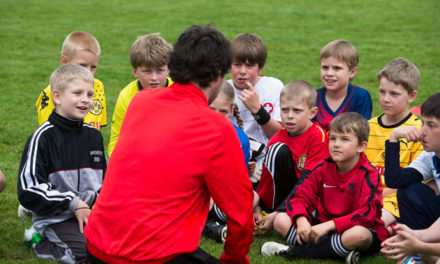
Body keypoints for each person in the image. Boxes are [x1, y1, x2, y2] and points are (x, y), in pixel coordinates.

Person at [85, 25, 254, 264]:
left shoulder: (140, 101)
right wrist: (234, 259)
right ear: (218, 76)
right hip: (151, 256)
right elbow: (241, 214)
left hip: (96, 246)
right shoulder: (216, 127)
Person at [260, 112, 388, 264]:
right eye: (333, 138)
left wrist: (329, 226)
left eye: (344, 139)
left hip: (359, 229)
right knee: (281, 219)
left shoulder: (369, 174)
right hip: (324, 225)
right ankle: (337, 251)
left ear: (361, 146)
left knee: (359, 235)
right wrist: (301, 219)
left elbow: (366, 214)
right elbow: (299, 197)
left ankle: (295, 253)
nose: (336, 144)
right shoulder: (322, 167)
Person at [17, 64, 107, 263]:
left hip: (92, 214)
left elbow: (106, 182)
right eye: (77, 93)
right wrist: (74, 203)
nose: (85, 99)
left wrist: (98, 208)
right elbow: (29, 190)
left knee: (123, 245)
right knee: (86, 254)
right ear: (57, 97)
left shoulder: (94, 136)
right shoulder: (42, 137)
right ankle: (37, 239)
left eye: (90, 94)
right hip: (56, 218)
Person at [254, 80, 329, 234]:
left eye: (297, 110)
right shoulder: (277, 138)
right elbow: (268, 180)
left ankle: (280, 216)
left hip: (312, 196)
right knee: (276, 150)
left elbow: (309, 182)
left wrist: (278, 213)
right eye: (285, 110)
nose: (289, 116)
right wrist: (258, 206)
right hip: (285, 195)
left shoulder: (318, 137)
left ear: (312, 113)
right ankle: (267, 213)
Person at [365, 57, 423, 233]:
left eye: (394, 94)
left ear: (412, 96)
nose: (386, 99)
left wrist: (377, 197)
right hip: (364, 195)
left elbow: (414, 181)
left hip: (394, 200)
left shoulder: (418, 132)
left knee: (368, 225)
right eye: (382, 92)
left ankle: (391, 229)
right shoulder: (368, 126)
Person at [227, 33, 284, 184]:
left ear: (261, 67)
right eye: (237, 64)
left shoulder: (273, 87)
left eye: (249, 65)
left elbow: (280, 135)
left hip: (266, 162)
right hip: (232, 161)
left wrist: (257, 110)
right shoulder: (223, 90)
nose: (242, 71)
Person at [108, 33, 173, 156]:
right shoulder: (127, 96)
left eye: (160, 70)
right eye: (147, 71)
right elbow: (116, 139)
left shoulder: (179, 90)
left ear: (169, 69)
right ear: (135, 71)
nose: (154, 78)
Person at [203, 81, 250, 243]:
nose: (216, 116)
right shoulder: (190, 131)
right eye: (212, 109)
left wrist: (214, 198)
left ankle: (207, 223)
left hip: (220, 198)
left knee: (251, 200)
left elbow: (237, 180)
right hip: (192, 194)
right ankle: (211, 227)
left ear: (231, 111)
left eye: (223, 111)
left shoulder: (240, 139)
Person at [384, 92, 440, 230]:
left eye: (431, 125)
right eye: (422, 123)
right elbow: (395, 180)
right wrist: (394, 138)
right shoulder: (430, 156)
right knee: (409, 189)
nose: (422, 131)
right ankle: (417, 243)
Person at [35, 31, 106, 130]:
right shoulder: (50, 92)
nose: (89, 72)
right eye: (82, 65)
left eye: (93, 67)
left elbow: (98, 126)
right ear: (64, 61)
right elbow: (47, 132)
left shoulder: (98, 86)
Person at [315, 39, 372, 131]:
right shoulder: (313, 97)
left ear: (352, 72)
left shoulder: (360, 96)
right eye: (325, 67)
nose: (329, 73)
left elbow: (362, 133)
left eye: (337, 68)